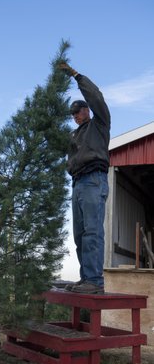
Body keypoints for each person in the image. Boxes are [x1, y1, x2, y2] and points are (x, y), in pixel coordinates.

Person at [60, 62, 110, 294]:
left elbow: (96, 96)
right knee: (80, 234)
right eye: (72, 114)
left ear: (87, 110)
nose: (75, 116)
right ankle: (86, 279)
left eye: (77, 111)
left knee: (92, 230)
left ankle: (95, 282)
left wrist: (76, 76)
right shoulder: (73, 135)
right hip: (78, 183)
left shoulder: (99, 124)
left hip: (93, 180)